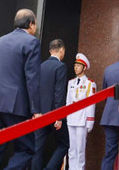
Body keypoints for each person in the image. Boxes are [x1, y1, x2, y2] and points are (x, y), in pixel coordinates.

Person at [0, 9, 42, 170]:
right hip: (17, 106)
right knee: (26, 148)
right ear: (31, 24)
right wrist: (36, 109)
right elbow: (32, 78)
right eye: (35, 23)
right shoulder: (31, 42)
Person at [33, 39, 69, 170]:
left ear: (50, 51)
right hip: (54, 115)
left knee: (38, 148)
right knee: (64, 144)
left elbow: (34, 90)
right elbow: (59, 93)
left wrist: (35, 111)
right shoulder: (60, 67)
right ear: (61, 50)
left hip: (40, 114)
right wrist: (59, 116)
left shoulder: (40, 66)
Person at [66, 53, 97, 170]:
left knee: (80, 149)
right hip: (71, 119)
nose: (76, 68)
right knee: (71, 149)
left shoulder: (90, 83)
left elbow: (91, 103)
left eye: (79, 66)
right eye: (75, 65)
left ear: (84, 68)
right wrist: (66, 117)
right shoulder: (71, 83)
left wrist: (90, 121)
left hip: (82, 119)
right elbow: (68, 101)